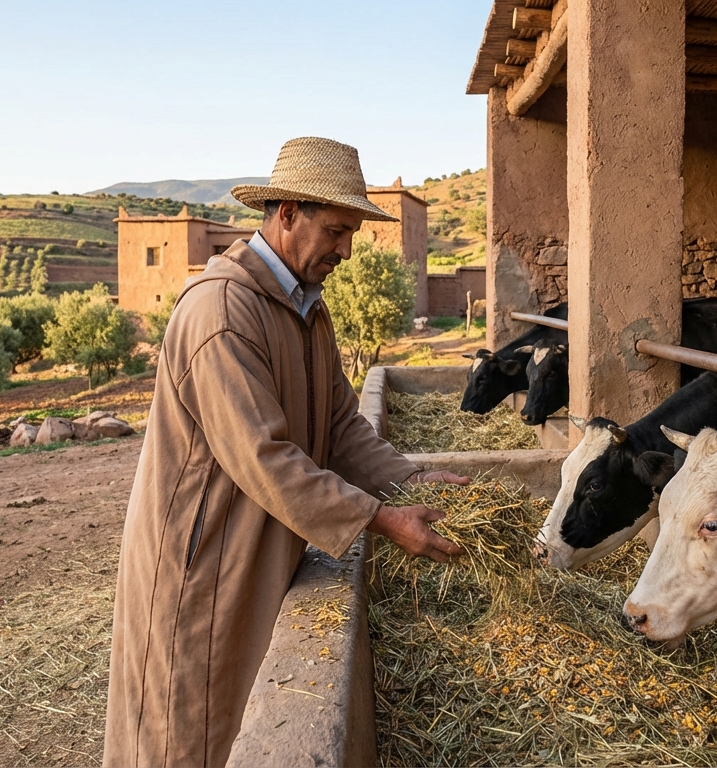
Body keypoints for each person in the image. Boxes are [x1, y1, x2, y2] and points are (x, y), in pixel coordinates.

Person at [103, 137, 468, 767]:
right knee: (184, 725)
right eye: (335, 230)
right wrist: (380, 519)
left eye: (352, 233)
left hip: (255, 549)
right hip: (203, 561)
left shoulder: (305, 310)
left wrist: (415, 481)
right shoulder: (221, 313)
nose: (346, 250)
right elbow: (263, 457)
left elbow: (341, 426)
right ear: (287, 214)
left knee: (240, 714)